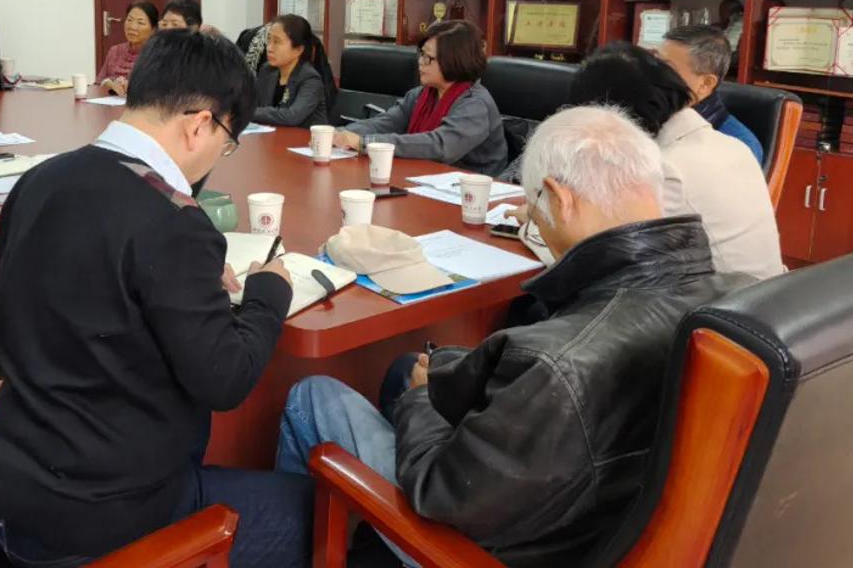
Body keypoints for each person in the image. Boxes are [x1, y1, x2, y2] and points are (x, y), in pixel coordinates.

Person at [277, 105, 752, 567]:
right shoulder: (742, 298)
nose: (527, 215)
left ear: (559, 198)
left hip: (486, 543)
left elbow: (442, 494)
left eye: (532, 202)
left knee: (315, 395)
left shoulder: (556, 365)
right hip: (593, 516)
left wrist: (422, 401)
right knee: (409, 369)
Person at [0, 30, 312, 568]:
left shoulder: (40, 179)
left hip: (12, 488)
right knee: (321, 513)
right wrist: (268, 292)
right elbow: (226, 379)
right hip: (101, 519)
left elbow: (91, 285)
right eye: (227, 142)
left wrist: (184, 280)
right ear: (200, 124)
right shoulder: (173, 221)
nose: (220, 156)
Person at [568, 42, 784, 280]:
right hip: (763, 294)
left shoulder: (665, 168)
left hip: (718, 299)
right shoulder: (733, 145)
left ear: (614, 116)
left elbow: (601, 251)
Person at [333, 20, 506, 176]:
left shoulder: (475, 104)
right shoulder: (422, 94)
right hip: (426, 177)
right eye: (421, 54)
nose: (420, 62)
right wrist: (340, 134)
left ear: (454, 60)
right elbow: (386, 123)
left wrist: (364, 143)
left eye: (428, 57)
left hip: (471, 188)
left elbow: (439, 146)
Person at [658, 24, 764, 164]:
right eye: (654, 63)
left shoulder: (739, 146)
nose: (651, 74)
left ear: (706, 84)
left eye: (667, 69)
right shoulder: (653, 117)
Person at [251, 14, 334, 128]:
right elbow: (253, 103)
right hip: (273, 135)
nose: (269, 48)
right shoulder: (267, 71)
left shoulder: (310, 79)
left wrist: (247, 112)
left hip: (305, 138)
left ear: (298, 50)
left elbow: (291, 117)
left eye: (277, 42)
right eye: (269, 40)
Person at [96, 0, 158, 96]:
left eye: (140, 23)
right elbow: (99, 83)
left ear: (153, 29)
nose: (132, 27)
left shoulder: (158, 55)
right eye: (129, 20)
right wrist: (109, 84)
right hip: (111, 103)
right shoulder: (115, 50)